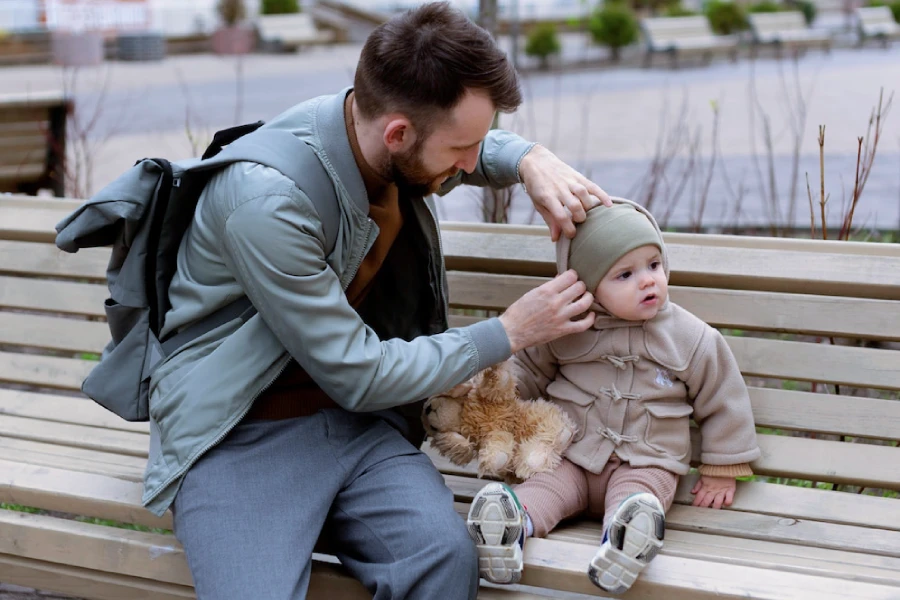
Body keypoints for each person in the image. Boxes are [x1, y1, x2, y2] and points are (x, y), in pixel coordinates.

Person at [142, 2, 612, 599]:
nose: (469, 165)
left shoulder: (373, 132)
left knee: (444, 559)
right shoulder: (265, 204)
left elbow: (453, 148)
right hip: (240, 434)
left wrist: (526, 157)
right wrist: (510, 331)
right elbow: (358, 373)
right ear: (397, 132)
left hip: (357, 428)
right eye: (462, 149)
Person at [466, 198, 761, 595]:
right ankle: (509, 525)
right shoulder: (565, 329)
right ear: (587, 286)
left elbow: (723, 396)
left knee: (638, 498)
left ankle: (625, 540)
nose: (647, 280)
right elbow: (530, 373)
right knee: (543, 489)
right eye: (625, 274)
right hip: (571, 455)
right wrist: (499, 397)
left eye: (654, 266)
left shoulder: (691, 337)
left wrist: (722, 466)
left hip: (647, 460)